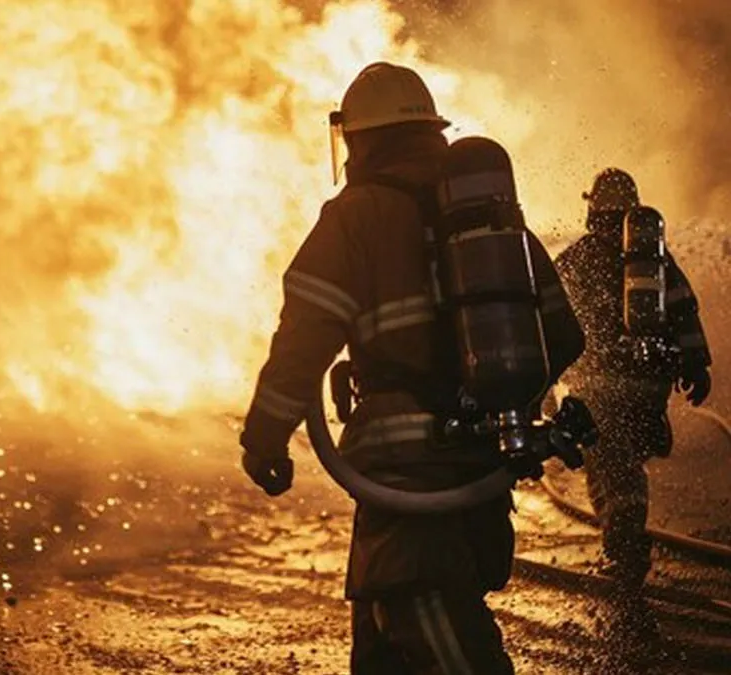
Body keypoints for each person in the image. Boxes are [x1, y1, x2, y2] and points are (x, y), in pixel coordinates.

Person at [237, 61, 586, 674]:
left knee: (427, 619)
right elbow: (563, 335)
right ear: (430, 131)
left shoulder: (355, 216)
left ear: (361, 140)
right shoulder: (489, 216)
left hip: (405, 474)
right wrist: (495, 401)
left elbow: (301, 343)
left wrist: (263, 438)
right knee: (384, 643)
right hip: (480, 461)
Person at [554, 168, 713, 633]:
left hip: (597, 387)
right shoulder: (655, 260)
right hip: (647, 387)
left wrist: (545, 387)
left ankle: (623, 551)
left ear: (592, 209)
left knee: (610, 468)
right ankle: (625, 544)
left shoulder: (576, 258)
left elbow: (553, 323)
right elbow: (684, 309)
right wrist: (695, 366)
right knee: (628, 464)